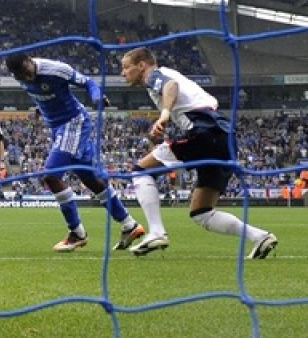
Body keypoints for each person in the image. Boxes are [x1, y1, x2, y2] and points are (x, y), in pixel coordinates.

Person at [119, 47, 277, 258]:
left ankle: (156, 232)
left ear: (141, 65)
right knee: (201, 212)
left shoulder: (155, 76)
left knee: (140, 170)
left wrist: (164, 115)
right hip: (223, 136)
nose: (123, 73)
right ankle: (260, 237)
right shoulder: (173, 76)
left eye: (126, 67)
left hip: (204, 131)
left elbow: (170, 86)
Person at [5, 52, 145, 253]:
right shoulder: (20, 76)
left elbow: (88, 83)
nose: (26, 78)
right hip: (57, 127)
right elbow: (46, 95)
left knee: (51, 176)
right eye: (20, 76)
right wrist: (40, 108)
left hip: (73, 124)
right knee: (90, 179)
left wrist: (97, 98)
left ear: (30, 61)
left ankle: (77, 233)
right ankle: (129, 225)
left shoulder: (55, 69)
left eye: (26, 72)